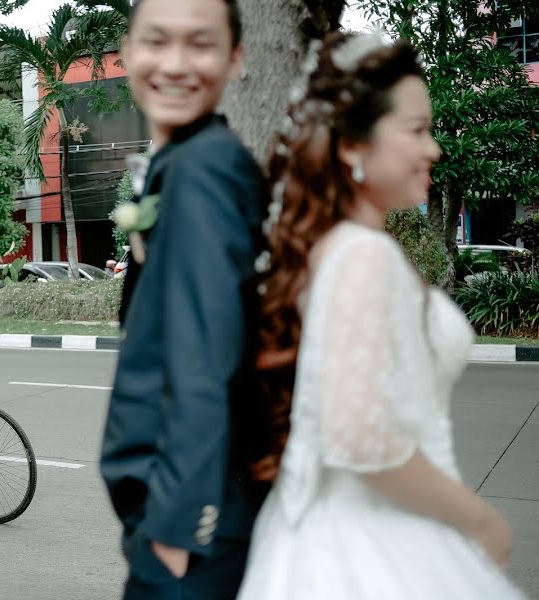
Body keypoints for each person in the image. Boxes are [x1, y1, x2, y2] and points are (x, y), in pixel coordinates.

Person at [237, 32, 525, 599]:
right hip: (372, 549)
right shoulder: (361, 256)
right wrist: (478, 519)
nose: (434, 149)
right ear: (351, 145)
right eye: (417, 130)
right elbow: (361, 440)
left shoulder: (338, 248)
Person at [99, 0, 269, 597]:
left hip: (189, 538)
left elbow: (206, 362)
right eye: (157, 41)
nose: (175, 64)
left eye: (200, 44)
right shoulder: (186, 161)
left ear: (235, 58)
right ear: (128, 50)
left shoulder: (204, 171)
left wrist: (176, 534)